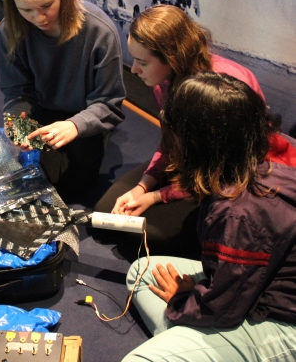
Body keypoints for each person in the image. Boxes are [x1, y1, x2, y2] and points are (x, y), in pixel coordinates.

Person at [122, 72, 296, 361]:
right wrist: (200, 296)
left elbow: (223, 309)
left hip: (283, 319)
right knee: (141, 273)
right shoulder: (254, 171)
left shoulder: (238, 211)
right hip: (258, 289)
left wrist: (186, 300)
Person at [94, 4, 266, 259]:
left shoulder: (217, 94)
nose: (134, 71)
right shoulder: (163, 80)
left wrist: (157, 197)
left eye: (142, 62)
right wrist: (143, 186)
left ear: (172, 57)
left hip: (226, 177)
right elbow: (170, 143)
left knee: (153, 236)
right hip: (188, 162)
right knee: (107, 215)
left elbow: (221, 173)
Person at [0, 0, 126, 199]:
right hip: (42, 112)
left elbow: (109, 103)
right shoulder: (10, 30)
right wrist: (16, 122)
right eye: (26, 10)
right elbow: (16, 89)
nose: (39, 17)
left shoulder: (99, 31)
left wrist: (76, 125)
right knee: (28, 182)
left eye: (46, 5)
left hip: (85, 117)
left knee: (70, 188)